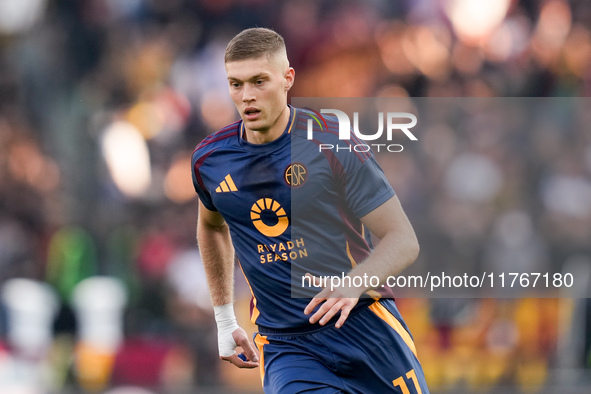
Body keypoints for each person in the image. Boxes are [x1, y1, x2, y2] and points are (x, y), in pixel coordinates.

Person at [191, 27, 429, 393]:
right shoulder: (211, 161)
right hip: (288, 347)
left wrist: (352, 285)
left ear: (288, 79)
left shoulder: (333, 143)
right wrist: (225, 320)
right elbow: (211, 226)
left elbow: (403, 240)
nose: (247, 96)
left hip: (365, 328)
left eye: (259, 81)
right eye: (236, 84)